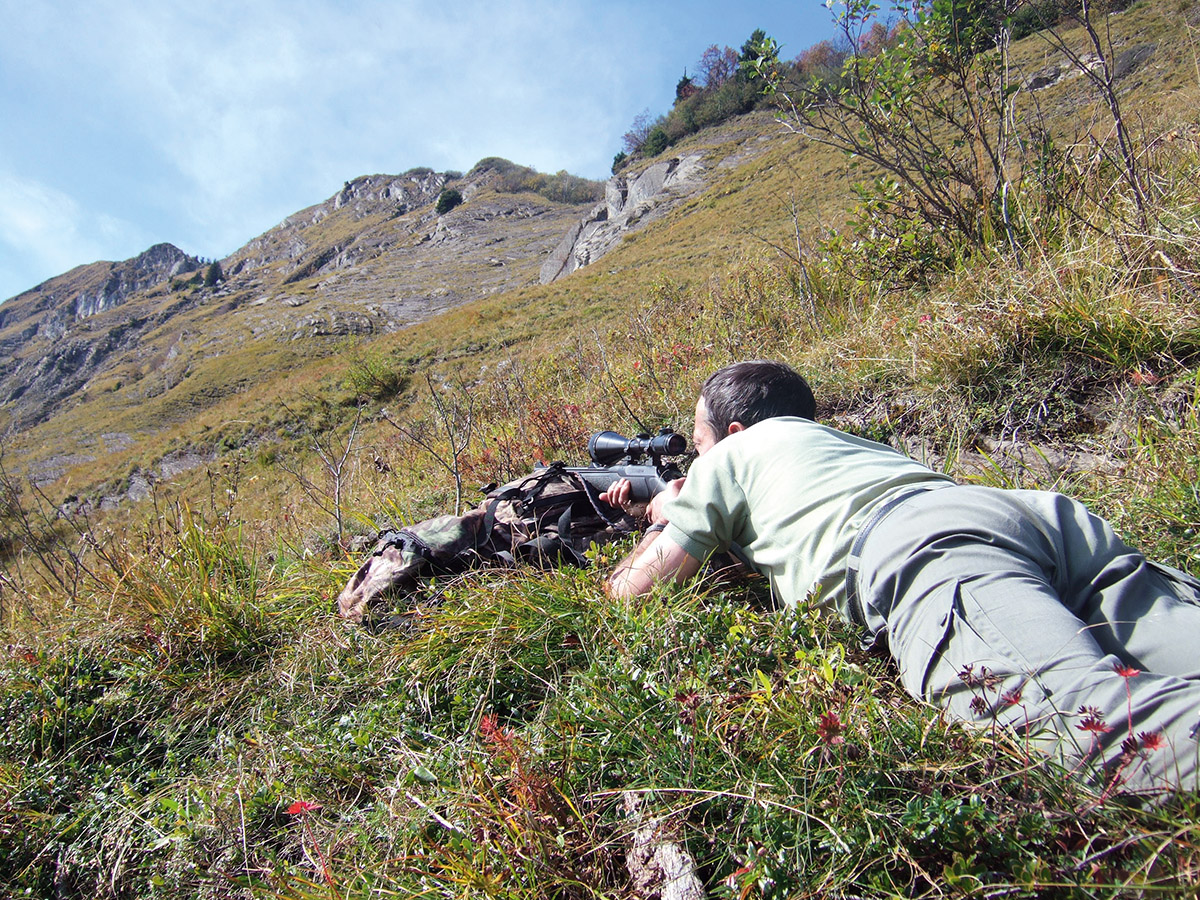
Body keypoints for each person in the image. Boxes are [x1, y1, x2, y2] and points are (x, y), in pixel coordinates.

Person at [601, 359, 1200, 794]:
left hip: (928, 553)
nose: (696, 459)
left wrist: (664, 520)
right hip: (1034, 518)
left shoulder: (730, 457)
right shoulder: (840, 444)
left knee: (1083, 727)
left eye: (698, 444)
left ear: (731, 435)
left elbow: (632, 595)